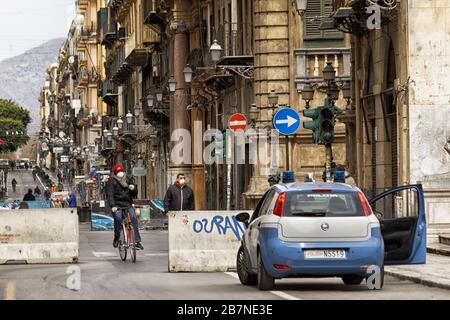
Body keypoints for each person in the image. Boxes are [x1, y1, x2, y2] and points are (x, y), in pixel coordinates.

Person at [106, 163, 143, 250]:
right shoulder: (111, 180)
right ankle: (117, 237)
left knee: (133, 217)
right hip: (117, 205)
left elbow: (135, 193)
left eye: (121, 171)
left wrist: (133, 188)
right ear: (115, 173)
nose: (120, 173)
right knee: (118, 218)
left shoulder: (128, 178)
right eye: (118, 171)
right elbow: (109, 194)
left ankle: (137, 241)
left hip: (128, 204)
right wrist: (112, 205)